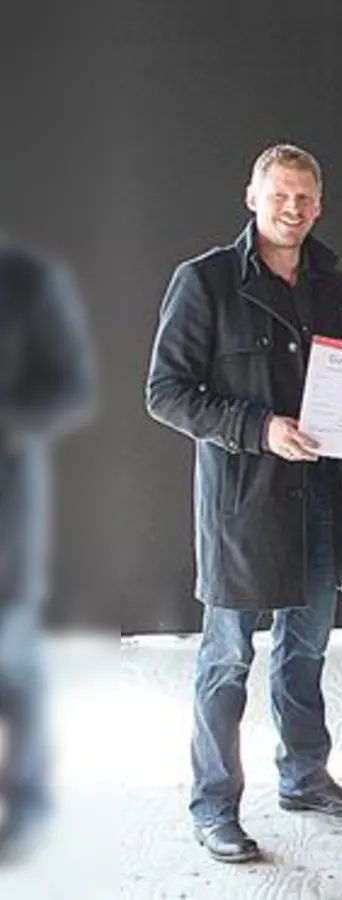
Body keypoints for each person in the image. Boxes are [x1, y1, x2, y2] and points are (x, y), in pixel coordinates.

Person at [146, 144, 342, 864]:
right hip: (243, 506)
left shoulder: (329, 283)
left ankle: (305, 776)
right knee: (225, 662)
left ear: (320, 204)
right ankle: (214, 805)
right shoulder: (205, 280)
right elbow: (166, 393)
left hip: (319, 496)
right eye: (280, 195)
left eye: (306, 198)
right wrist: (259, 428)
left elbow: (335, 380)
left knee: (305, 650)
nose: (293, 209)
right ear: (252, 196)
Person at [0, 240, 94, 860]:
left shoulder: (30, 281)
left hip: (5, 515)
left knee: (13, 661)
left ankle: (27, 800)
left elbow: (70, 389)